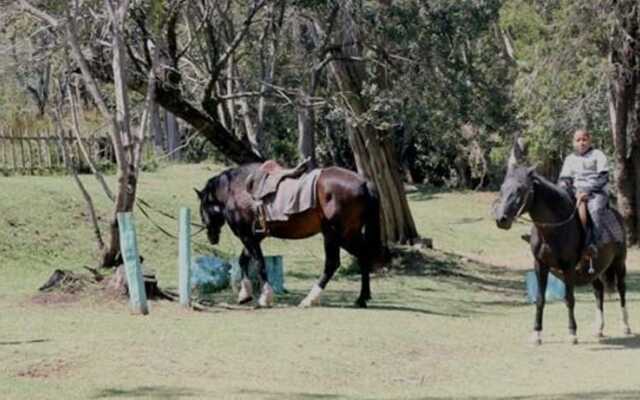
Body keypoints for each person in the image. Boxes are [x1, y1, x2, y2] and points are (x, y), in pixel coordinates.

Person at [558, 129, 609, 270]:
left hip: (595, 192)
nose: (582, 142)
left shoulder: (598, 155)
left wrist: (588, 191)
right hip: (575, 192)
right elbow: (565, 178)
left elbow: (603, 177)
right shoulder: (569, 159)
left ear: (589, 140)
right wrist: (564, 188)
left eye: (584, 139)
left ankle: (593, 243)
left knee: (595, 210)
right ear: (574, 142)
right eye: (578, 140)